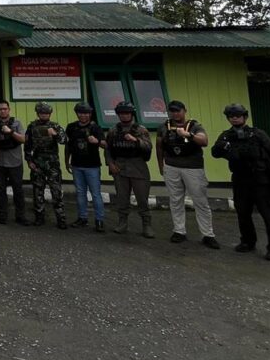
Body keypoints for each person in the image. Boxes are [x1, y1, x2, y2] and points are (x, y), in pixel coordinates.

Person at [212, 103, 270, 261]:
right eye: (231, 116)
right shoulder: (227, 136)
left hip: (261, 179)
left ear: (245, 117)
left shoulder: (257, 134)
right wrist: (223, 147)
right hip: (240, 179)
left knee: (269, 215)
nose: (235, 118)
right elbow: (215, 152)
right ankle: (247, 241)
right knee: (243, 212)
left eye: (238, 116)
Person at [157, 100, 219, 249]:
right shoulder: (164, 127)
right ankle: (179, 231)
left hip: (193, 168)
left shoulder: (194, 125)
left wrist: (188, 135)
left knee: (200, 201)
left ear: (185, 111)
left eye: (178, 110)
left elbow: (204, 141)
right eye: (172, 111)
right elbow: (159, 146)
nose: (175, 113)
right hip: (171, 167)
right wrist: (161, 166)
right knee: (175, 200)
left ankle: (208, 234)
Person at [104, 101, 154, 238]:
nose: (124, 116)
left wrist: (136, 140)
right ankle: (122, 223)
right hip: (120, 166)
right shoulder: (113, 130)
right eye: (121, 114)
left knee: (142, 198)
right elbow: (108, 149)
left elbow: (148, 147)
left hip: (138, 166)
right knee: (122, 197)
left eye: (127, 113)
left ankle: (147, 225)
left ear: (132, 114)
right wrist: (110, 164)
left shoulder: (141, 130)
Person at [0, 100, 29, 226]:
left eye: (5, 109)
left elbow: (23, 139)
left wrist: (10, 131)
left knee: (18, 190)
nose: (3, 111)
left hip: (15, 162)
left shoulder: (16, 123)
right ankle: (2, 215)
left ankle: (20, 216)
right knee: (0, 190)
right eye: (0, 109)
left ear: (9, 110)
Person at [24, 102, 67, 229]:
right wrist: (29, 161)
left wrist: (55, 134)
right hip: (37, 164)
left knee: (56, 191)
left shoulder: (55, 126)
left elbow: (64, 141)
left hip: (52, 164)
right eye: (42, 113)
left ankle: (61, 219)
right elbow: (27, 145)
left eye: (46, 113)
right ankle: (39, 217)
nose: (44, 115)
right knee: (38, 191)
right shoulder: (32, 126)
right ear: (38, 113)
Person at [64, 102, 105, 233]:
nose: (83, 115)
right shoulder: (71, 127)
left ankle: (99, 220)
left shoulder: (95, 128)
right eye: (81, 113)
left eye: (86, 113)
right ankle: (82, 218)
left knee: (96, 194)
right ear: (77, 114)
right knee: (80, 193)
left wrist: (97, 142)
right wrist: (66, 161)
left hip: (92, 166)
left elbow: (105, 144)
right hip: (76, 165)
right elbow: (68, 146)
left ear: (90, 114)